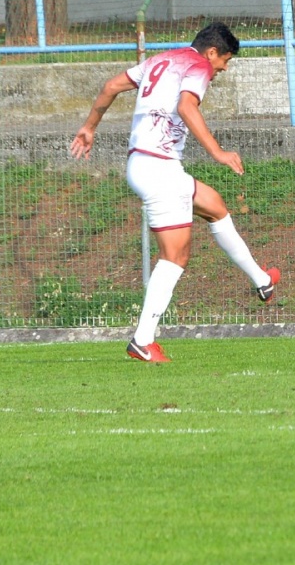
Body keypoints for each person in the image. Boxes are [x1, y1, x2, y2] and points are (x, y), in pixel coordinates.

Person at [69, 22, 279, 362]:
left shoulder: (161, 59)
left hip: (145, 163)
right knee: (175, 257)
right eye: (225, 60)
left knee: (214, 205)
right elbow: (186, 107)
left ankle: (262, 280)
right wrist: (218, 153)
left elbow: (111, 86)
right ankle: (142, 340)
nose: (223, 68)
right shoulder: (198, 65)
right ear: (212, 52)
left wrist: (89, 127)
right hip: (158, 168)